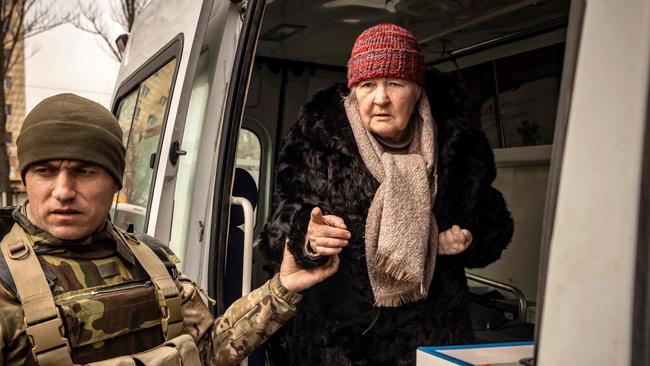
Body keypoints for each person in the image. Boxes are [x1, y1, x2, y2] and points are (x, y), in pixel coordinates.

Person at [0, 93, 339, 365]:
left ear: (115, 181)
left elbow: (207, 350)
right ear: (26, 178)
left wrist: (283, 287)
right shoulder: (5, 281)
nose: (63, 190)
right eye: (45, 171)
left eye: (85, 171)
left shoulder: (150, 258)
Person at [262, 23, 514, 365]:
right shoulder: (317, 138)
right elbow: (280, 224)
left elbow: (493, 220)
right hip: (339, 339)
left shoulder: (459, 144)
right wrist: (306, 236)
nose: (380, 99)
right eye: (368, 85)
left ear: (416, 88)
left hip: (431, 334)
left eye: (394, 84)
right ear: (354, 91)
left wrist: (468, 237)